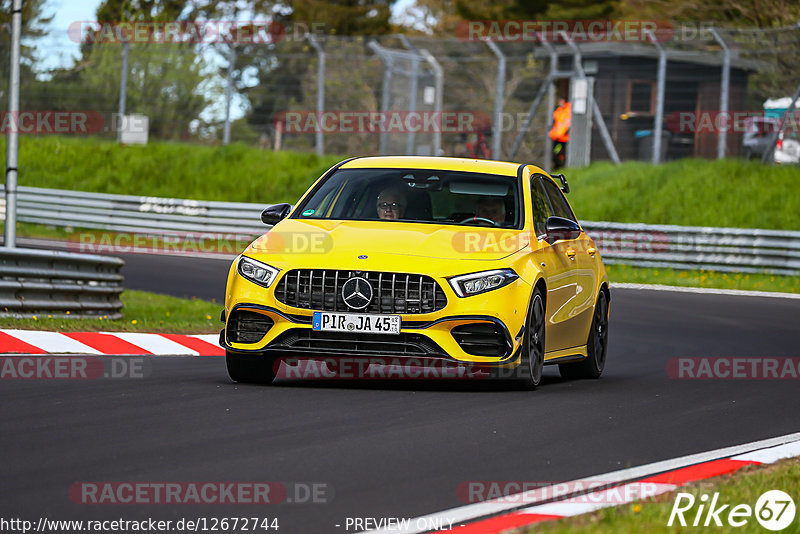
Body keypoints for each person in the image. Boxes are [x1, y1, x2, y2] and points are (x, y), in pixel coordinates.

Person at [549, 96, 571, 169]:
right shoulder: (559, 110)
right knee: (556, 153)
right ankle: (558, 166)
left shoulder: (568, 111)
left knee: (558, 152)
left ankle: (560, 166)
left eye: (561, 101)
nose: (559, 103)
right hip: (557, 137)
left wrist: (560, 134)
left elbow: (566, 125)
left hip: (563, 138)